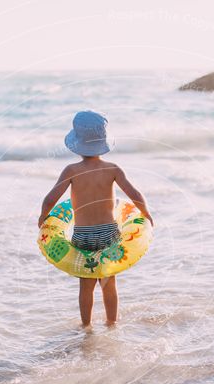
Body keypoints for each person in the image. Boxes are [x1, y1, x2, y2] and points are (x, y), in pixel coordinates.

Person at [38, 111, 154, 327]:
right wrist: (146, 214)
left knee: (86, 285)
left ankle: (86, 327)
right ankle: (111, 323)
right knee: (108, 283)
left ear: (77, 143)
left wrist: (43, 218)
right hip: (109, 232)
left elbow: (49, 199)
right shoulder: (112, 169)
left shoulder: (71, 170)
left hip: (83, 235)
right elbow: (135, 195)